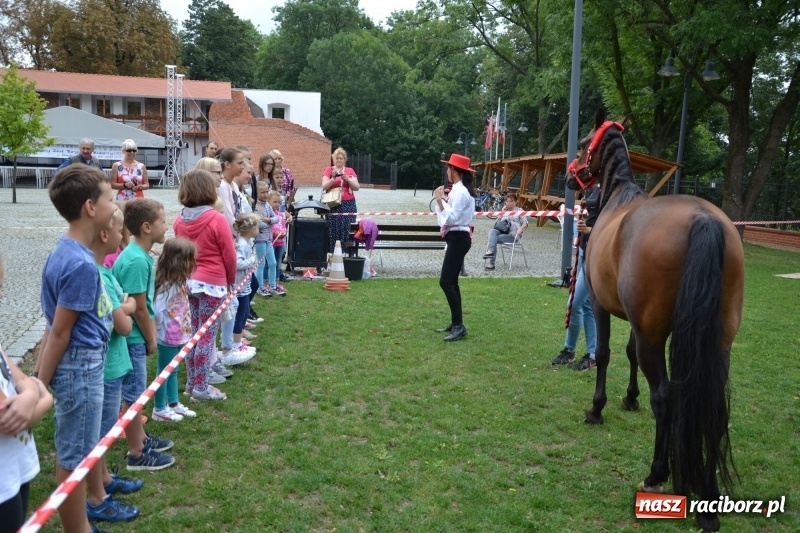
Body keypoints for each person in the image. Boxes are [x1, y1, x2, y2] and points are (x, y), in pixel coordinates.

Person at [34, 165, 116, 533]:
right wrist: (40, 384)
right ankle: (78, 528)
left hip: (83, 363)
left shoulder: (66, 250)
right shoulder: (81, 264)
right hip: (80, 367)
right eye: (110, 198)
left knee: (81, 446)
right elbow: (59, 332)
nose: (115, 206)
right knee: (75, 456)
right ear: (90, 207)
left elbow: (54, 325)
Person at [111, 198, 175, 471]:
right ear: (147, 227)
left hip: (134, 337)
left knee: (136, 393)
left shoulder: (138, 255)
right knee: (135, 395)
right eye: (162, 221)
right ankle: (137, 453)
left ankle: (142, 438)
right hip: (134, 339)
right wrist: (151, 338)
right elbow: (138, 307)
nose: (166, 226)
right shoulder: (137, 260)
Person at [87, 207, 142, 523]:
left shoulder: (104, 272)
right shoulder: (99, 276)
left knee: (105, 432)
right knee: (101, 434)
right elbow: (122, 324)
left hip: (115, 364)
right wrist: (127, 306)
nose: (124, 236)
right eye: (121, 230)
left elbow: (124, 305)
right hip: (107, 368)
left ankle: (105, 477)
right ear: (105, 234)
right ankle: (97, 495)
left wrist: (125, 305)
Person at [0, 255, 54, 533]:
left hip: (15, 471)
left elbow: (23, 380)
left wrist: (31, 395)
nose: (1, 296)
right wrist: (42, 398)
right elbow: (11, 418)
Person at [173, 170, 236, 401]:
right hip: (212, 283)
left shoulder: (179, 220)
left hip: (189, 282)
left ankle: (192, 382)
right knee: (206, 336)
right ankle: (201, 386)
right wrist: (230, 281)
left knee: (193, 333)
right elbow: (229, 255)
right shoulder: (216, 219)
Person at [553, 184, 601, 370]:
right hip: (584, 250)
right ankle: (588, 354)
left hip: (594, 253)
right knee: (586, 305)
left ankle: (572, 350)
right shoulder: (595, 187)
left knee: (574, 304)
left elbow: (615, 224)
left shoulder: (611, 188)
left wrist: (590, 231)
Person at [153, 238, 198, 421]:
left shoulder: (179, 282)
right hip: (168, 336)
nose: (194, 264)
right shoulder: (166, 286)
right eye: (190, 260)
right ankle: (159, 408)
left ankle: (173, 403)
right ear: (180, 263)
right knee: (164, 372)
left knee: (174, 369)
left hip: (179, 334)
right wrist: (158, 331)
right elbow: (157, 311)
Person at [434, 153, 475, 342]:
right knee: (452, 281)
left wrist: (439, 200)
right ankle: (456, 323)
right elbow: (449, 217)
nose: (447, 172)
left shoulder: (461, 192)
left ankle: (458, 325)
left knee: (446, 281)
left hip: (459, 237)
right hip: (457, 237)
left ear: (454, 171)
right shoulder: (459, 190)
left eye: (449, 168)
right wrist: (442, 201)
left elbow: (451, 218)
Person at [230, 214, 260, 359]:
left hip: (244, 285)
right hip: (239, 287)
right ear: (252, 229)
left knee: (245, 311)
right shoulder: (241, 245)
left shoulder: (245, 242)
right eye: (257, 227)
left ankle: (238, 339)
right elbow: (237, 263)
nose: (258, 229)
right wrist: (252, 260)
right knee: (240, 314)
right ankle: (236, 344)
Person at [321, 147, 359, 254]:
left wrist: (348, 180)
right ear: (333, 159)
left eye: (341, 158)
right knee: (333, 228)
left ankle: (348, 252)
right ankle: (332, 253)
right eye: (337, 158)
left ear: (344, 160)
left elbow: (357, 187)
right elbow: (324, 186)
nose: (339, 160)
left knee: (347, 228)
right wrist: (333, 178)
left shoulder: (350, 171)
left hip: (348, 204)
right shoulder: (329, 170)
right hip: (333, 204)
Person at [482, 193, 529, 270]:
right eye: (507, 201)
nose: (508, 203)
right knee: (492, 231)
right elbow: (496, 224)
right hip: (502, 231)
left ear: (515, 202)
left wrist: (520, 229)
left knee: (494, 239)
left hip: (513, 235)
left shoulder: (520, 211)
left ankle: (491, 263)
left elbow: (525, 223)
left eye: (511, 201)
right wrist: (502, 213)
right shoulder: (504, 211)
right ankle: (491, 251)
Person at [253, 182, 279, 297]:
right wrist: (270, 222)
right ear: (256, 193)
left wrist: (268, 220)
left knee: (273, 263)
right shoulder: (255, 206)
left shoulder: (267, 205)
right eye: (262, 192)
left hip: (269, 239)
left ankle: (272, 286)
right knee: (261, 263)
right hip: (259, 239)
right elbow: (258, 223)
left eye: (266, 192)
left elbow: (277, 218)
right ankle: (260, 287)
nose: (265, 194)